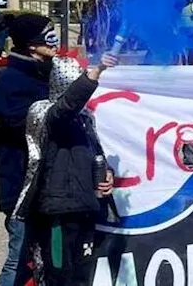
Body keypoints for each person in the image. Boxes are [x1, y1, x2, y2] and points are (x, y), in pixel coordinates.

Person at [15, 53, 119, 286]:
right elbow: (66, 107)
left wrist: (107, 174)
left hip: (85, 207)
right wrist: (96, 71)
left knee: (82, 275)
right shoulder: (44, 113)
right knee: (59, 275)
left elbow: (95, 153)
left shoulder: (85, 120)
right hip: (58, 211)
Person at [0, 14, 58, 286]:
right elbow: (21, 123)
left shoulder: (48, 72)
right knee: (19, 258)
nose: (54, 39)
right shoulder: (11, 81)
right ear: (31, 44)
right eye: (47, 34)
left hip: (48, 186)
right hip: (21, 188)